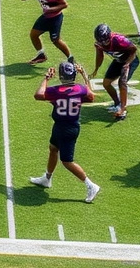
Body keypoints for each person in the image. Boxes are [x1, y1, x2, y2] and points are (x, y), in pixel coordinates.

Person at [29, 62, 99, 202]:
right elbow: (91, 97)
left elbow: (38, 95)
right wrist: (84, 76)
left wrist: (46, 78)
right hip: (65, 126)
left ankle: (91, 185)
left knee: (67, 161)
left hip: (66, 129)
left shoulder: (56, 91)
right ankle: (47, 178)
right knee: (53, 148)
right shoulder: (80, 89)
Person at [21, 0, 73, 65]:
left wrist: (51, 9)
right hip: (46, 16)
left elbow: (64, 5)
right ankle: (41, 55)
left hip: (55, 18)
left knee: (56, 41)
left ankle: (70, 58)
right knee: (34, 34)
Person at [90, 24, 138, 120]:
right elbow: (100, 56)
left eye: (106, 41)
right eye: (102, 42)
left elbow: (134, 50)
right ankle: (117, 103)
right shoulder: (99, 44)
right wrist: (96, 68)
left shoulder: (119, 40)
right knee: (106, 83)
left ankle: (123, 109)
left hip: (130, 60)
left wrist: (127, 63)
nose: (105, 43)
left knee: (122, 82)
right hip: (118, 60)